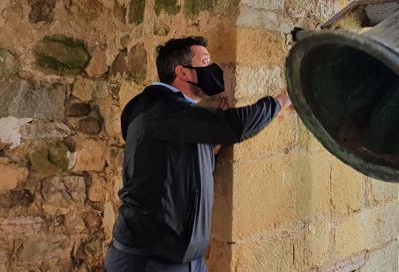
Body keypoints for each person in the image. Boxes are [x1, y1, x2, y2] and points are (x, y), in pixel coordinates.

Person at [104, 36, 291, 272]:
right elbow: (236, 126)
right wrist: (283, 100)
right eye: (205, 62)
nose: (212, 69)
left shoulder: (177, 115)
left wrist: (213, 145)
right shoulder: (160, 109)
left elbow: (179, 168)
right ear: (182, 73)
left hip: (183, 259)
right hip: (149, 261)